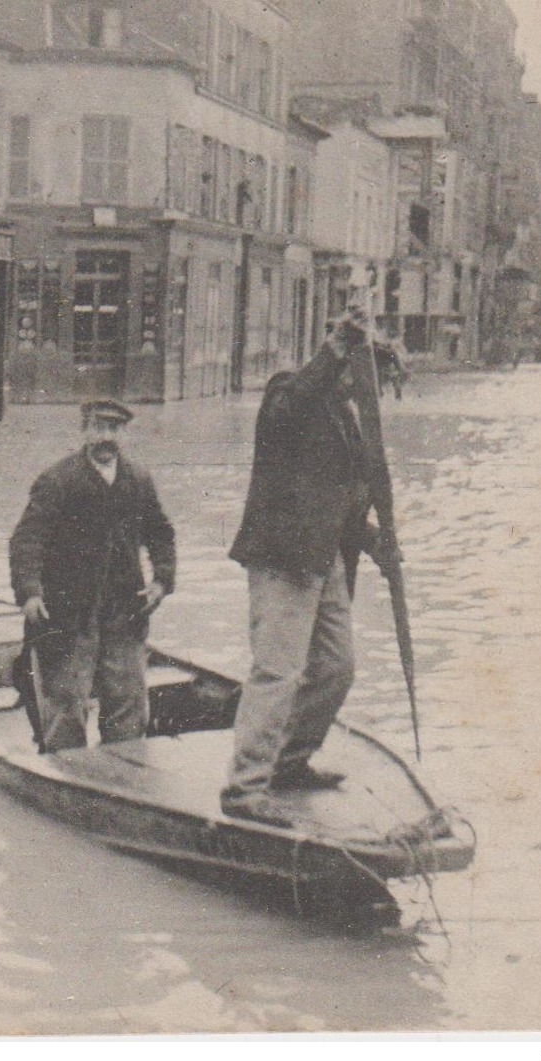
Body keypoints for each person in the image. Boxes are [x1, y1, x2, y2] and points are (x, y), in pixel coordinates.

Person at [220, 307, 401, 827]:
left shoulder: (346, 416)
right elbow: (288, 412)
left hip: (324, 562)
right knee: (278, 671)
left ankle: (289, 761)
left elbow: (341, 500)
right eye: (363, 374)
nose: (367, 387)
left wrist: (375, 544)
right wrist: (335, 349)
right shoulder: (290, 392)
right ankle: (245, 787)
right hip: (282, 557)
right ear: (342, 364)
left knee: (336, 670)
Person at [9, 399, 177, 752]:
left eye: (114, 429)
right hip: (68, 612)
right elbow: (28, 538)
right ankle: (66, 776)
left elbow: (160, 532)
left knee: (129, 700)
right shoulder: (58, 481)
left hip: (125, 610)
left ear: (123, 434)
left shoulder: (138, 480)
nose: (106, 438)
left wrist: (162, 580)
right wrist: (30, 592)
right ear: (84, 432)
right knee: (67, 701)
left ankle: (126, 772)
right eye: (99, 428)